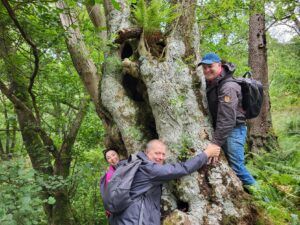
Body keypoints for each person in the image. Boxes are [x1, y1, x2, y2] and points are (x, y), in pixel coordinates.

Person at [108, 139, 220, 225]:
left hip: (122, 219)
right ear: (147, 152)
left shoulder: (135, 163)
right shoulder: (150, 169)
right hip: (135, 221)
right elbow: (183, 168)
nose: (161, 157)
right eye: (157, 153)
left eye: (163, 154)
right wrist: (206, 153)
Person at [197, 52, 256, 186]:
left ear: (219, 65)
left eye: (210, 66)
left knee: (237, 168)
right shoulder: (213, 83)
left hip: (234, 130)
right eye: (204, 67)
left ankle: (264, 201)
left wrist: (215, 143)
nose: (206, 70)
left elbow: (228, 119)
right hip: (224, 130)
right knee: (230, 166)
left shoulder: (228, 87)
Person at [100, 149, 122, 217]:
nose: (112, 158)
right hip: (118, 207)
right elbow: (110, 193)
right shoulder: (110, 174)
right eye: (108, 158)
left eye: (113, 155)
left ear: (118, 155)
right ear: (107, 161)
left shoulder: (125, 165)